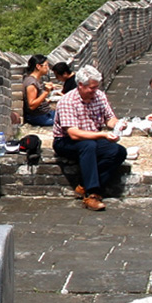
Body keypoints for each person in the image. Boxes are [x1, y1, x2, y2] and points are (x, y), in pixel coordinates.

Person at [52, 65, 127, 212]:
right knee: (88, 146)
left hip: (92, 138)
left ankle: (85, 184)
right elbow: (73, 133)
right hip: (67, 141)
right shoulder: (68, 101)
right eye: (91, 88)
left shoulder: (99, 96)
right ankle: (92, 193)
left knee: (118, 152)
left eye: (96, 87)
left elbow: (109, 118)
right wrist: (102, 135)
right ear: (80, 85)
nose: (94, 91)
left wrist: (117, 125)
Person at [22, 54, 56, 126]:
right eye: (46, 65)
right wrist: (46, 92)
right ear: (38, 66)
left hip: (46, 114)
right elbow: (32, 105)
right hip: (39, 117)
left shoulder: (36, 80)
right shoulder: (31, 83)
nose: (48, 68)